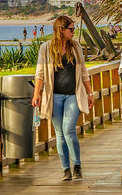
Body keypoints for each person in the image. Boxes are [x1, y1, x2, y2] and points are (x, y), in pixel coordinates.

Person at [31, 15, 93, 182]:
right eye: (71, 29)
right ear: (61, 30)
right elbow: (40, 74)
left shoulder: (76, 47)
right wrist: (37, 94)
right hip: (54, 97)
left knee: (68, 130)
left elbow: (84, 72)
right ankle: (66, 169)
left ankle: (77, 165)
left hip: (73, 95)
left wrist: (90, 93)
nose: (73, 32)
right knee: (59, 134)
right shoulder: (46, 48)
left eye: (74, 29)